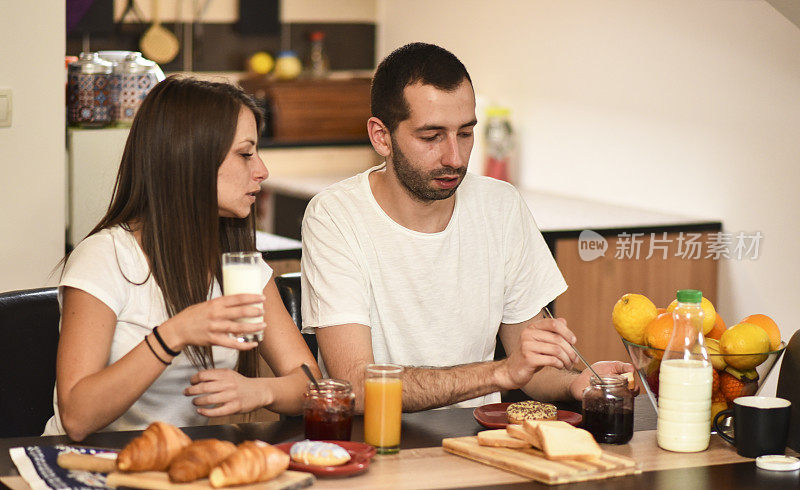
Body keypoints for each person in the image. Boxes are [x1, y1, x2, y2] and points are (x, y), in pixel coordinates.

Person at [300, 42, 633, 411]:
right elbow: (356, 386)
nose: (455, 158)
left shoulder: (501, 207)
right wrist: (499, 373)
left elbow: (531, 372)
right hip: (379, 445)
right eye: (431, 137)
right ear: (381, 136)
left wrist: (577, 384)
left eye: (465, 133)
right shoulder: (335, 216)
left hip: (479, 442)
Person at [44, 77, 320, 441]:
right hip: (87, 464)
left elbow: (311, 383)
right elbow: (77, 418)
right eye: (245, 153)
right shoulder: (105, 257)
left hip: (179, 463)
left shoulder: (239, 266)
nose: (262, 171)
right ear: (189, 157)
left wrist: (260, 391)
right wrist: (174, 334)